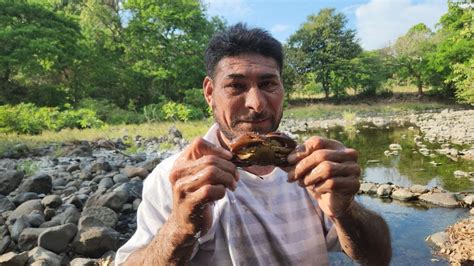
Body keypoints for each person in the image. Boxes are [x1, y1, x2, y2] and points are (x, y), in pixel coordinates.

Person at [115, 23, 391, 266]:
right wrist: (181, 227)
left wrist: (346, 210)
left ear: (283, 89)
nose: (256, 105)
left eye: (268, 84)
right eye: (236, 86)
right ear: (210, 93)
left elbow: (378, 258)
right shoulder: (177, 177)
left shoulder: (315, 168)